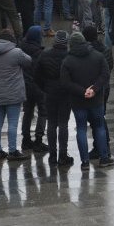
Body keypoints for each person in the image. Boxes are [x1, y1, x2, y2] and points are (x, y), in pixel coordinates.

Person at [60, 32, 114, 169]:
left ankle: (84, 162)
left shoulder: (67, 61)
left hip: (78, 102)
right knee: (99, 126)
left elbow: (65, 82)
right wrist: (94, 89)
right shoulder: (98, 56)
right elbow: (105, 75)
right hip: (96, 100)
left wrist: (81, 91)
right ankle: (104, 158)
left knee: (81, 129)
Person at [0, 29, 33, 161]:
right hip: (14, 94)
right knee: (13, 123)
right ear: (11, 40)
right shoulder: (16, 52)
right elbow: (29, 61)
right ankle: (12, 150)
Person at [34, 30, 74, 166]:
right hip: (66, 93)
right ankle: (63, 155)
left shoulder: (44, 55)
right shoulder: (70, 56)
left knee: (51, 123)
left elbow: (36, 75)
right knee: (63, 123)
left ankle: (52, 155)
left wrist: (44, 88)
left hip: (50, 92)